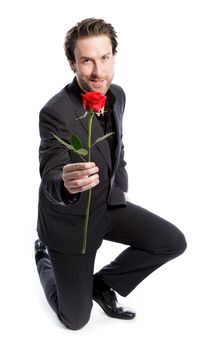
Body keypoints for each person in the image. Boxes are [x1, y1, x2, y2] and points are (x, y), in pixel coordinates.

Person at [35, 18, 187, 330]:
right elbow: (50, 172)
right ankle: (43, 257)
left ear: (114, 56)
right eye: (86, 60)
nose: (98, 72)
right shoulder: (54, 113)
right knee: (75, 319)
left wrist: (121, 189)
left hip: (107, 204)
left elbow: (118, 149)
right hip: (71, 220)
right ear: (72, 64)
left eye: (104, 58)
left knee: (172, 242)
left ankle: (101, 284)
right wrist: (65, 184)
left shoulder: (117, 95)